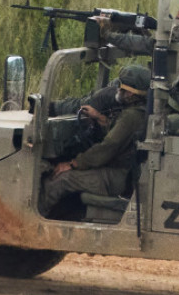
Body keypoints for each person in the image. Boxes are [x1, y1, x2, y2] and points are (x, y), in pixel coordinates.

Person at [40, 64, 150, 218]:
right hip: (123, 173)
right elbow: (120, 137)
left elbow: (108, 147)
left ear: (131, 94)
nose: (118, 90)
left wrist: (73, 163)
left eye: (121, 87)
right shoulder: (141, 112)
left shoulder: (130, 117)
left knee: (58, 180)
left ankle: (30, 225)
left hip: (115, 176)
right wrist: (100, 118)